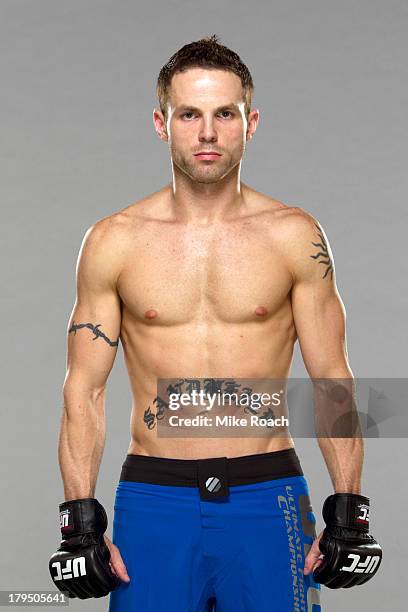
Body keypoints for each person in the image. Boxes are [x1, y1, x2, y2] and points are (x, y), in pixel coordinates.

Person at [49, 35, 381, 610]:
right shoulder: (114, 241)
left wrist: (351, 505)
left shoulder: (294, 236)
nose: (207, 133)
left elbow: (331, 376)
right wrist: (79, 518)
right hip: (155, 499)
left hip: (268, 492)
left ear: (251, 121)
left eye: (224, 114)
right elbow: (85, 388)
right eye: (190, 114)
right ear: (162, 122)